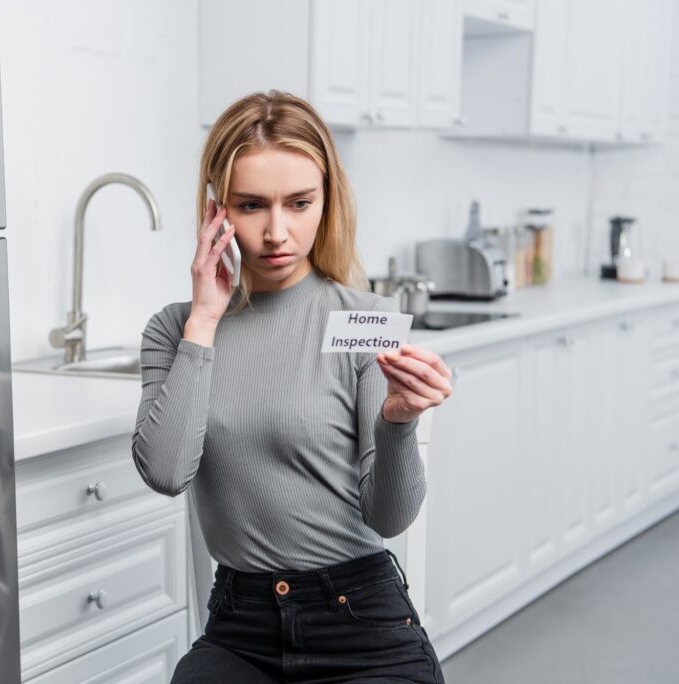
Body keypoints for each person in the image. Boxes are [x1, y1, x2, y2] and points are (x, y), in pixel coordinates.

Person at [132, 91, 452, 684]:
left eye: (299, 203)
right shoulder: (174, 329)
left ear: (326, 200)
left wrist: (399, 420)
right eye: (252, 205)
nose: (277, 232)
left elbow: (388, 518)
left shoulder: (367, 318)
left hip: (360, 622)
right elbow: (165, 472)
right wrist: (204, 320)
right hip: (240, 629)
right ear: (216, 210)